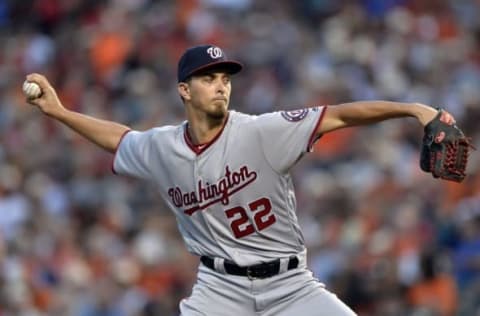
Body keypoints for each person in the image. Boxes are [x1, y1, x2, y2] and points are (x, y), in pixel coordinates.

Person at [25, 44, 457, 316]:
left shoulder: (260, 131)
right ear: (184, 90)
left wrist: (414, 109)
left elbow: (340, 114)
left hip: (289, 286)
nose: (221, 86)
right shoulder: (160, 148)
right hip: (219, 289)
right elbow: (120, 140)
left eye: (225, 79)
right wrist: (60, 112)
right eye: (208, 78)